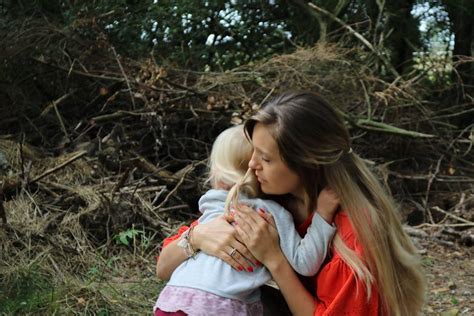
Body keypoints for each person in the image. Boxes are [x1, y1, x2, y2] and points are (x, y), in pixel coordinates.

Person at [157, 91, 426, 316]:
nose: (251, 165)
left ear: (307, 163)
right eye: (253, 154)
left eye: (266, 158)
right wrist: (197, 236)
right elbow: (164, 268)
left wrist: (274, 259)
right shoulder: (270, 199)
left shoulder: (353, 233)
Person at [154, 124, 338, 316]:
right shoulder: (272, 214)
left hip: (175, 298)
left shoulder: (212, 204)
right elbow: (305, 263)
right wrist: (323, 216)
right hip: (222, 306)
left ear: (218, 175)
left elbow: (163, 269)